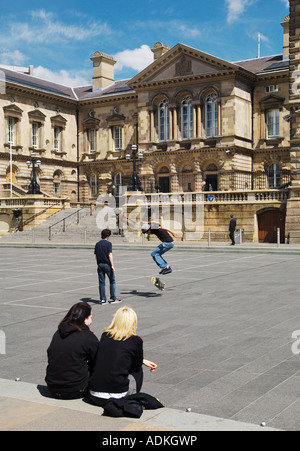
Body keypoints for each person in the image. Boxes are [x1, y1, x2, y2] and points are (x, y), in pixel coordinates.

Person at [88, 306, 157, 407]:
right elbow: (135, 366)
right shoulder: (135, 341)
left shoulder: (105, 335)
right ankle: (133, 396)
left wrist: (142, 360)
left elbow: (114, 355)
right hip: (117, 397)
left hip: (95, 394)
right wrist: (140, 361)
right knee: (138, 371)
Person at [45, 302, 99, 399]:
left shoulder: (58, 332)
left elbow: (50, 354)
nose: (91, 321)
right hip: (75, 389)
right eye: (90, 317)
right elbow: (97, 362)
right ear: (84, 319)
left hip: (52, 387)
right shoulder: (88, 337)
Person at [94, 228, 121, 305]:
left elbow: (96, 255)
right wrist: (112, 265)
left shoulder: (97, 244)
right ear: (108, 236)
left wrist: (98, 263)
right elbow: (110, 255)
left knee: (101, 282)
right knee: (112, 281)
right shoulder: (108, 244)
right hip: (107, 264)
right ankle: (113, 298)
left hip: (99, 264)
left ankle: (103, 299)